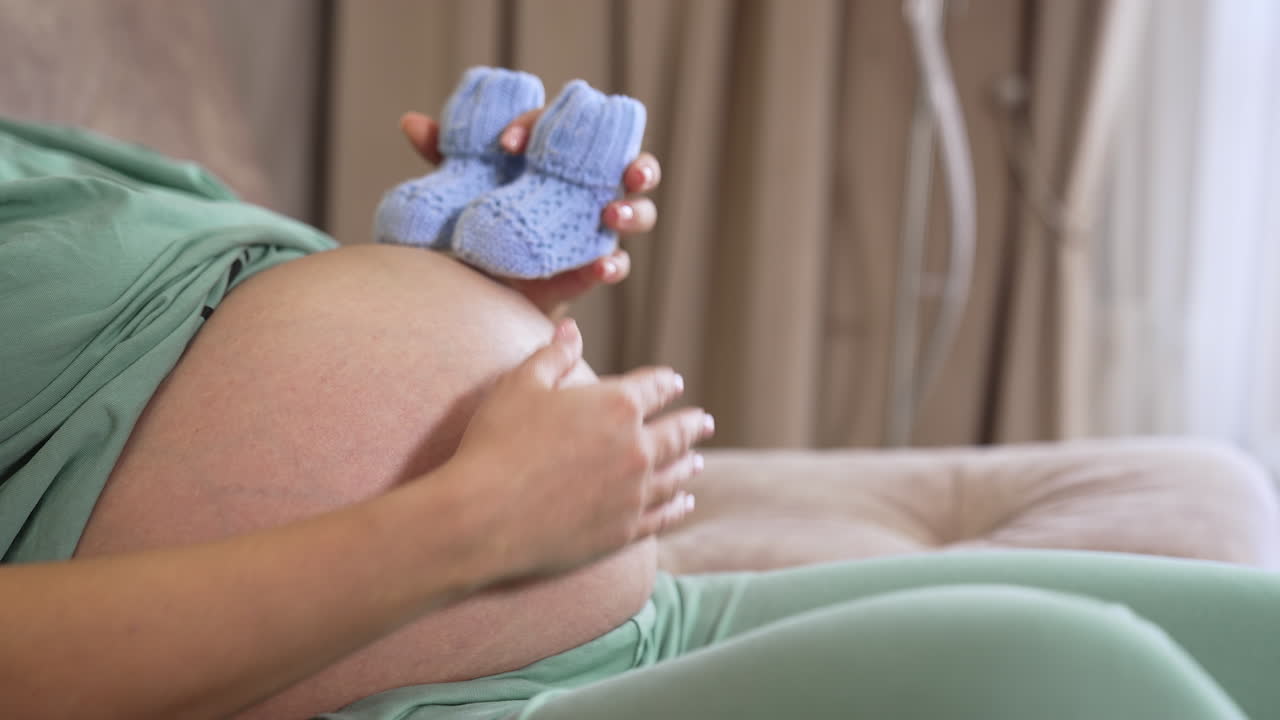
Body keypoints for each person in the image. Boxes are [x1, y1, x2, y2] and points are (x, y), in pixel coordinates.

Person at [1, 103, 1278, 720]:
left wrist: (458, 283)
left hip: (629, 618)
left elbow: (182, 386)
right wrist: (465, 529)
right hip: (414, 695)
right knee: (1086, 685)